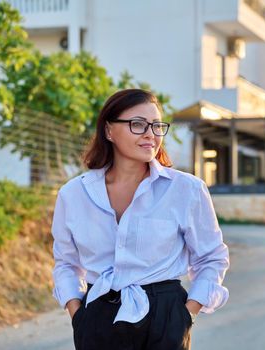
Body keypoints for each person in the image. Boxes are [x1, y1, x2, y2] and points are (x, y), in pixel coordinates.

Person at [51, 89, 230, 350]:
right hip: (98, 316)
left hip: (165, 317)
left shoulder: (186, 189)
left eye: (157, 126)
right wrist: (78, 315)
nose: (151, 134)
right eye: (137, 124)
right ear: (109, 130)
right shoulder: (74, 194)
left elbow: (212, 257)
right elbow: (66, 262)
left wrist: (185, 315)